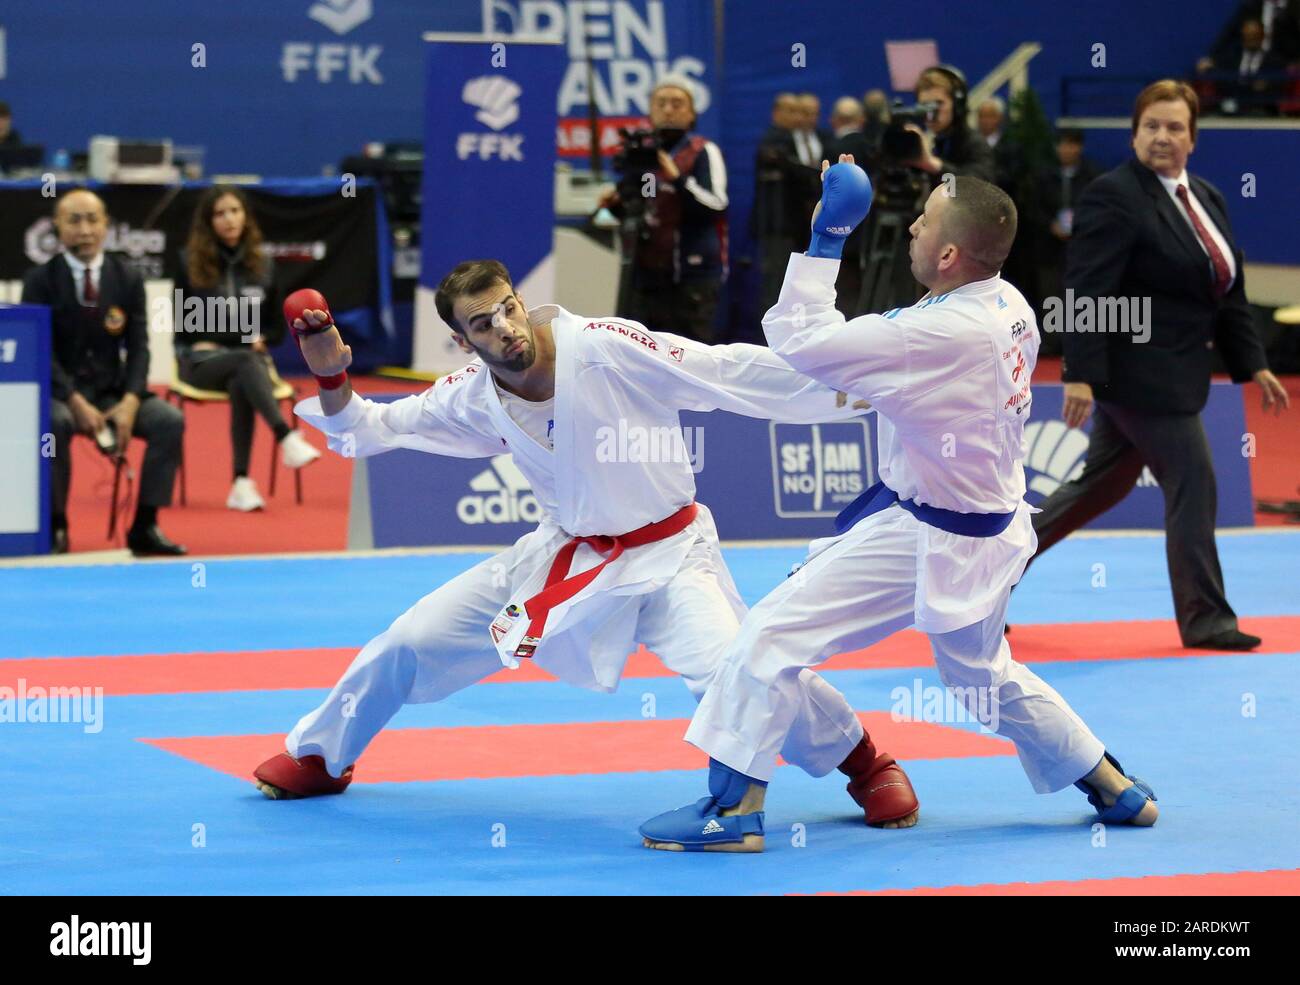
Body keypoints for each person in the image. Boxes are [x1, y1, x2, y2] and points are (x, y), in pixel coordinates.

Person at [252, 261, 916, 834]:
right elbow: (367, 431)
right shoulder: (473, 397)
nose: (505, 327)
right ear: (461, 340)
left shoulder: (605, 346)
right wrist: (334, 378)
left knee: (736, 674)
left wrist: (857, 384)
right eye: (482, 324)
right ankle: (320, 753)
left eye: (507, 308)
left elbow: (727, 371)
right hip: (563, 558)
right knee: (409, 638)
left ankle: (866, 762)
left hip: (670, 557)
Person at [639, 163, 1158, 853]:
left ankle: (732, 812)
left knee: (770, 634)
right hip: (985, 528)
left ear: (948, 255)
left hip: (933, 531)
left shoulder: (936, 335)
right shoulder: (1008, 305)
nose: (910, 226)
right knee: (982, 677)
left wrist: (828, 235)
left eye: (922, 222)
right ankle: (1111, 782)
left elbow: (799, 342)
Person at [1024, 80, 1290, 651]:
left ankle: (977, 578)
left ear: (1193, 138)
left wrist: (1254, 364)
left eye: (1174, 128)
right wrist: (1080, 373)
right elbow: (1087, 288)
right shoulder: (1113, 195)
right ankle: (1207, 619)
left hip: (1175, 372)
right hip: (1135, 376)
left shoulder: (1207, 199)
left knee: (1097, 490)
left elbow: (1228, 290)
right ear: (1134, 134)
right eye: (1152, 127)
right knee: (1193, 482)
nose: (1162, 137)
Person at [22, 189, 186, 556]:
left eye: (93, 220)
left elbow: (140, 347)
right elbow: (38, 351)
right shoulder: (40, 281)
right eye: (74, 220)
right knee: (53, 424)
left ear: (106, 226)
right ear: (57, 228)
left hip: (113, 392)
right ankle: (56, 526)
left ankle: (145, 525)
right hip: (60, 395)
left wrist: (130, 400)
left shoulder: (126, 277)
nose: (85, 229)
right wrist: (73, 398)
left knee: (168, 420)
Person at [175, 185, 319, 511]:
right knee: (245, 357)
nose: (229, 219)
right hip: (200, 363)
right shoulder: (188, 263)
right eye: (220, 213)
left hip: (246, 364)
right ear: (208, 221)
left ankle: (241, 483)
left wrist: (240, 336)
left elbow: (277, 330)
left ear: (246, 217)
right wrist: (243, 337)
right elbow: (187, 327)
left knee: (243, 374)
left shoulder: (264, 265)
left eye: (235, 211)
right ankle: (286, 437)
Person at [601, 75, 727, 343]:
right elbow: (644, 210)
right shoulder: (642, 155)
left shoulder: (703, 151)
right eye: (661, 103)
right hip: (646, 278)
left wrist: (677, 178)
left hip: (691, 276)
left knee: (692, 356)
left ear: (692, 113)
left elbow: (716, 207)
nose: (668, 109)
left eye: (677, 103)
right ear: (650, 111)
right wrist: (616, 206)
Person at [1032, 127, 1101, 352]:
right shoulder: (1044, 175)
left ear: (1079, 147)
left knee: (1081, 294)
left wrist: (1080, 225)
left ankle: (1080, 340)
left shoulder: (1093, 176)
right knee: (1051, 292)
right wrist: (1050, 225)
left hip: (1082, 247)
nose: (1066, 150)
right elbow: (1033, 208)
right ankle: (1052, 342)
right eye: (1062, 144)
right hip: (1050, 247)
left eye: (1071, 144)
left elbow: (1098, 208)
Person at [905, 66, 996, 188]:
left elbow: (978, 189)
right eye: (925, 106)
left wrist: (932, 164)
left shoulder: (975, 145)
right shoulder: (934, 144)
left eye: (939, 103)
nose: (931, 112)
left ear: (957, 105)